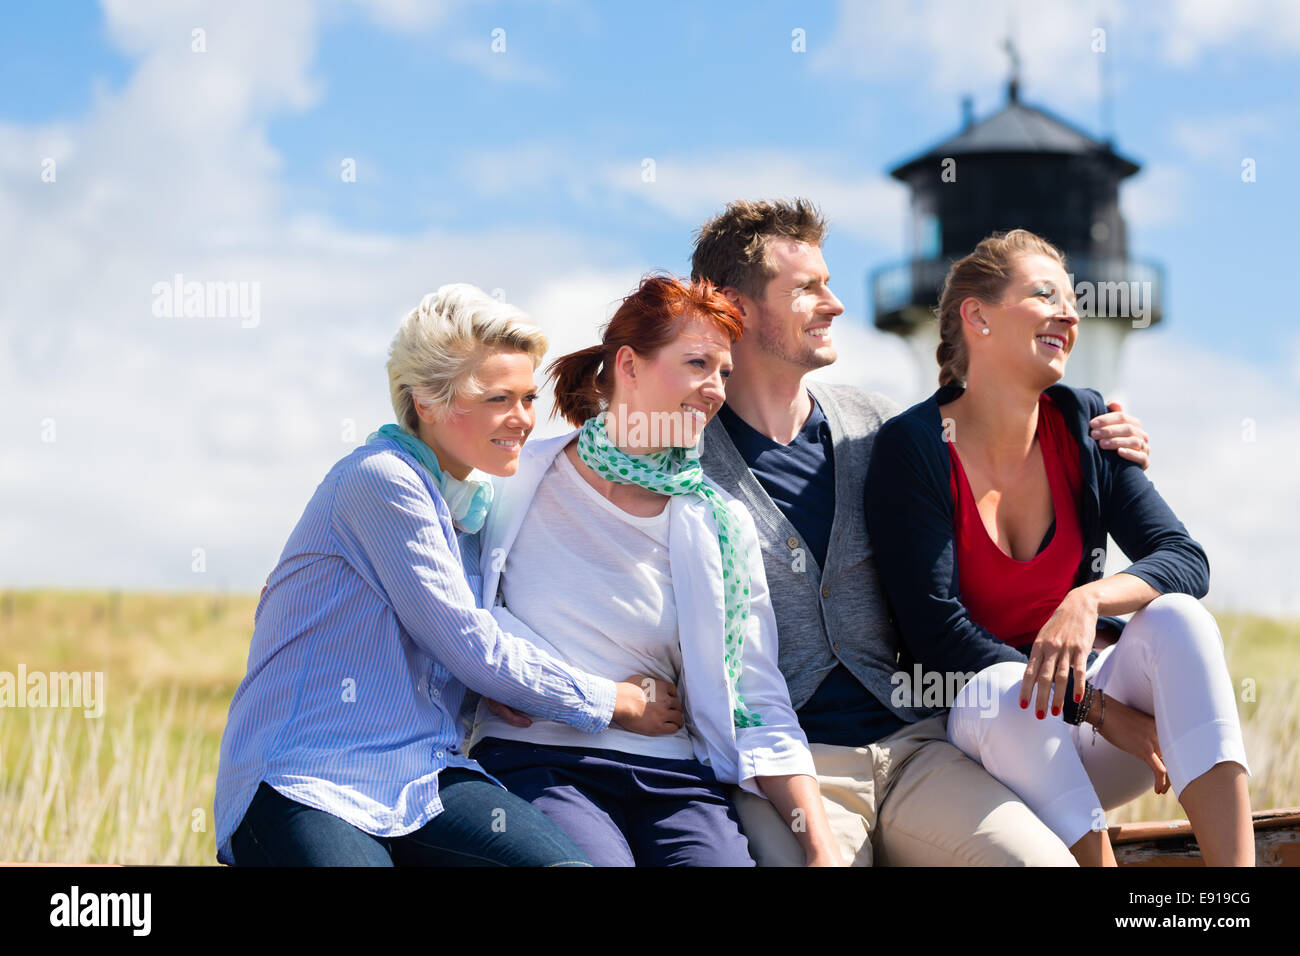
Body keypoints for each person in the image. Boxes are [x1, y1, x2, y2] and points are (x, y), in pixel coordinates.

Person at [689, 198, 1155, 866]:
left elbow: (1010, 447)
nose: (835, 303)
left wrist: (1102, 434)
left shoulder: (888, 429)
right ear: (732, 306)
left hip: (917, 748)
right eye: (807, 289)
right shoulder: (681, 464)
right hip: (787, 772)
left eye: (830, 282)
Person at [213, 284, 679, 867]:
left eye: (529, 397)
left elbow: (497, 626)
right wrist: (613, 701)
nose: (522, 419)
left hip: (427, 776)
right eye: (497, 399)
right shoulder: (382, 480)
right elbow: (471, 644)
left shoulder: (476, 506)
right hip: (308, 778)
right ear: (426, 403)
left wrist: (503, 685)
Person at [864, 229, 1253, 866]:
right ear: (978, 316)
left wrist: (1087, 599)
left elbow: (1185, 559)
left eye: (1072, 299)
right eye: (1044, 295)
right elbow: (938, 637)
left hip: (1095, 749)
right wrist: (1098, 710)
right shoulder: (915, 448)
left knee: (1179, 618)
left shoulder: (1084, 422)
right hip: (991, 749)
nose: (1070, 313)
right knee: (1005, 689)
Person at [467, 274, 840, 867]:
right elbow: (455, 615)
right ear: (629, 365)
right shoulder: (511, 482)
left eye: (723, 372)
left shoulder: (721, 522)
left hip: (675, 776)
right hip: (538, 758)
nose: (715, 389)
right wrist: (509, 680)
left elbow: (757, 697)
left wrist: (821, 848)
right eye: (697, 363)